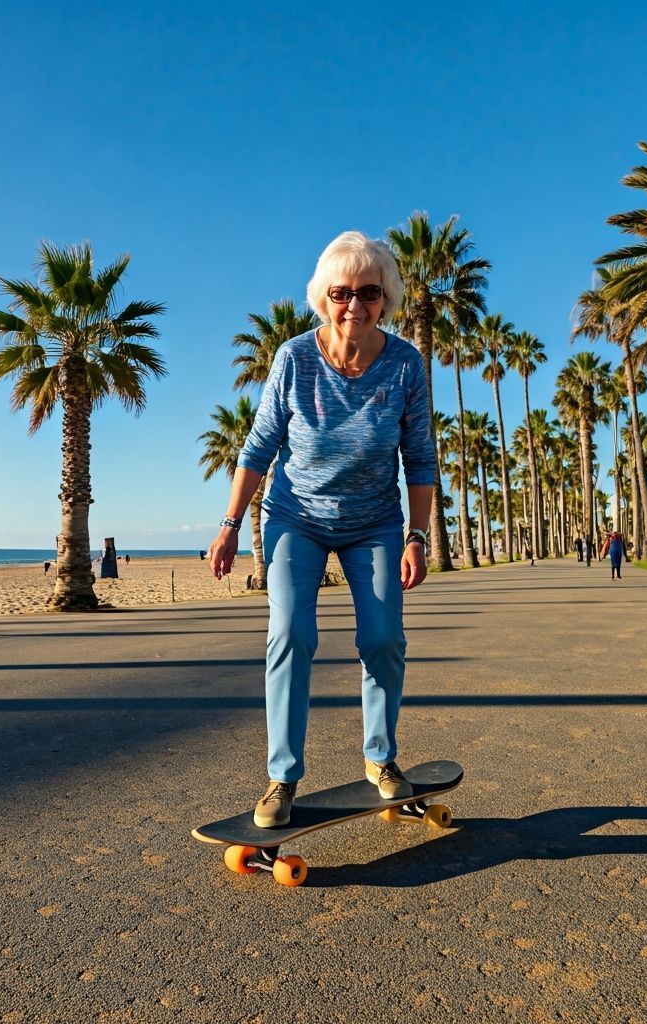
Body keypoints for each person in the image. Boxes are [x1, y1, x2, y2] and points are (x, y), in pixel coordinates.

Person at [206, 230, 436, 829]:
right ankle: (281, 778)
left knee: (383, 638)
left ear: (385, 297)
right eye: (341, 293)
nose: (354, 304)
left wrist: (417, 536)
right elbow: (259, 446)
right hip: (294, 518)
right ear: (323, 298)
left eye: (368, 291)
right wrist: (231, 524)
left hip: (375, 523)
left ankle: (380, 761)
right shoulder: (294, 358)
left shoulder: (405, 363)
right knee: (290, 634)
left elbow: (421, 455)